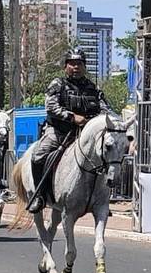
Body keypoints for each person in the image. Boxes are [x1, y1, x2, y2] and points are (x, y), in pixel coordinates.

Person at [27, 47, 111, 213]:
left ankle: (101, 199)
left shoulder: (93, 88)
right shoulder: (57, 84)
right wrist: (72, 117)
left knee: (108, 155)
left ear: (84, 66)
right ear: (65, 66)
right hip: (59, 132)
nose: (76, 67)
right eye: (72, 64)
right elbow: (50, 107)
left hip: (86, 135)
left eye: (79, 63)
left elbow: (105, 109)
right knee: (38, 156)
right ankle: (40, 196)